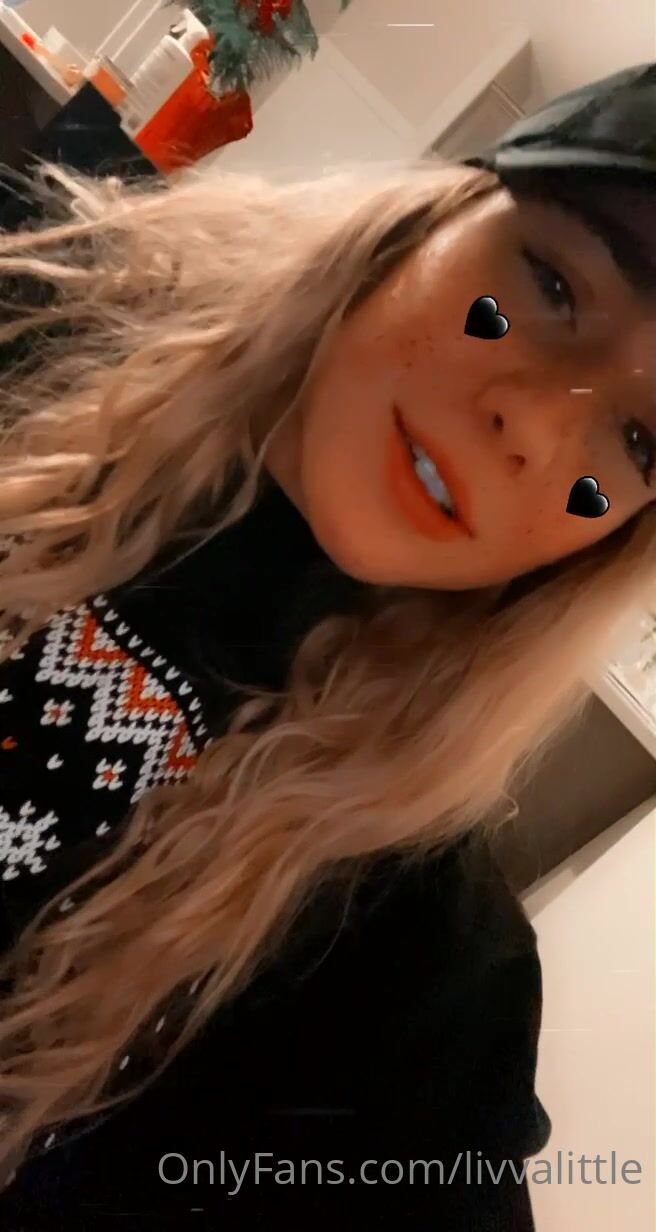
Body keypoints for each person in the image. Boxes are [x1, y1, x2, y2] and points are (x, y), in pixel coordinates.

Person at [0, 59, 655, 1231]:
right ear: (432, 217)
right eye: (553, 283)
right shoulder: (33, 315)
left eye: (641, 441)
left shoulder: (408, 958)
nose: (532, 422)